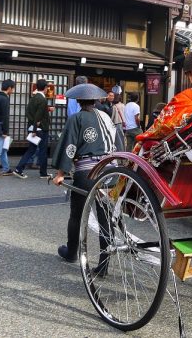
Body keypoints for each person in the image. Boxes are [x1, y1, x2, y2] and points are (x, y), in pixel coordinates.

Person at [51, 83, 116, 266]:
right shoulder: (106, 117)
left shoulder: (76, 118)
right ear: (96, 100)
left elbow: (69, 146)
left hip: (87, 172)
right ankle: (104, 264)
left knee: (77, 215)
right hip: (111, 171)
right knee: (105, 218)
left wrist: (60, 173)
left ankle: (71, 252)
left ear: (78, 101)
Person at [135, 38, 192, 148]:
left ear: (191, 73)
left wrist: (143, 137)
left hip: (185, 154)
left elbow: (160, 128)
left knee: (145, 143)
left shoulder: (183, 100)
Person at [13, 79, 51, 179]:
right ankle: (43, 173)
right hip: (40, 129)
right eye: (47, 87)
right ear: (45, 88)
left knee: (31, 150)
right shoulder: (42, 99)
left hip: (32, 127)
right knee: (43, 151)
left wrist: (32, 128)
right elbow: (38, 117)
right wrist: (35, 129)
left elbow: (29, 113)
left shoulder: (33, 98)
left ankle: (19, 169)